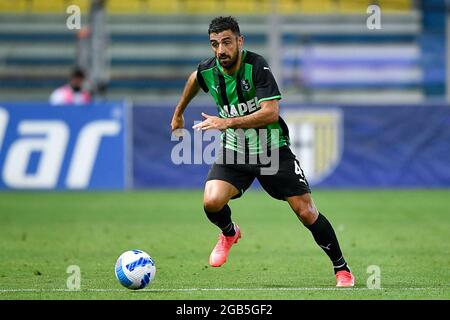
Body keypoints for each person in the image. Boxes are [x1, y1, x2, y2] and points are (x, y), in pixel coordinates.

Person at [170, 16, 355, 287]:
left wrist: (227, 122)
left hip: (272, 151)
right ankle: (229, 232)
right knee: (211, 202)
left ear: (239, 41)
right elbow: (194, 79)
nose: (221, 50)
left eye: (226, 42)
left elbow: (270, 113)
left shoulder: (256, 66)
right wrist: (178, 114)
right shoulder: (209, 70)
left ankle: (342, 268)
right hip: (235, 151)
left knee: (306, 212)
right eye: (215, 44)